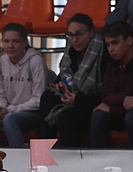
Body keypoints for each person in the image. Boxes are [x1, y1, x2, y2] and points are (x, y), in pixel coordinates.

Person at [40, 13, 109, 147]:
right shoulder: (71, 53)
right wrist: (60, 86)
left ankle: (70, 161)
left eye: (79, 34)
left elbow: (106, 94)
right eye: (70, 35)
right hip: (75, 99)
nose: (74, 40)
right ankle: (42, 151)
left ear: (91, 32)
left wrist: (77, 99)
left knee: (67, 116)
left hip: (94, 104)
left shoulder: (104, 53)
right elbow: (65, 78)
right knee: (48, 97)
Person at [0, 22, 50, 148]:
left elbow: (38, 100)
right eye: (6, 41)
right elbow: (0, 94)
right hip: (11, 109)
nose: (10, 46)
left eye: (15, 41)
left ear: (24, 43)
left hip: (34, 112)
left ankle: (19, 157)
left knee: (9, 120)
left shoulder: (35, 61)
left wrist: (9, 110)